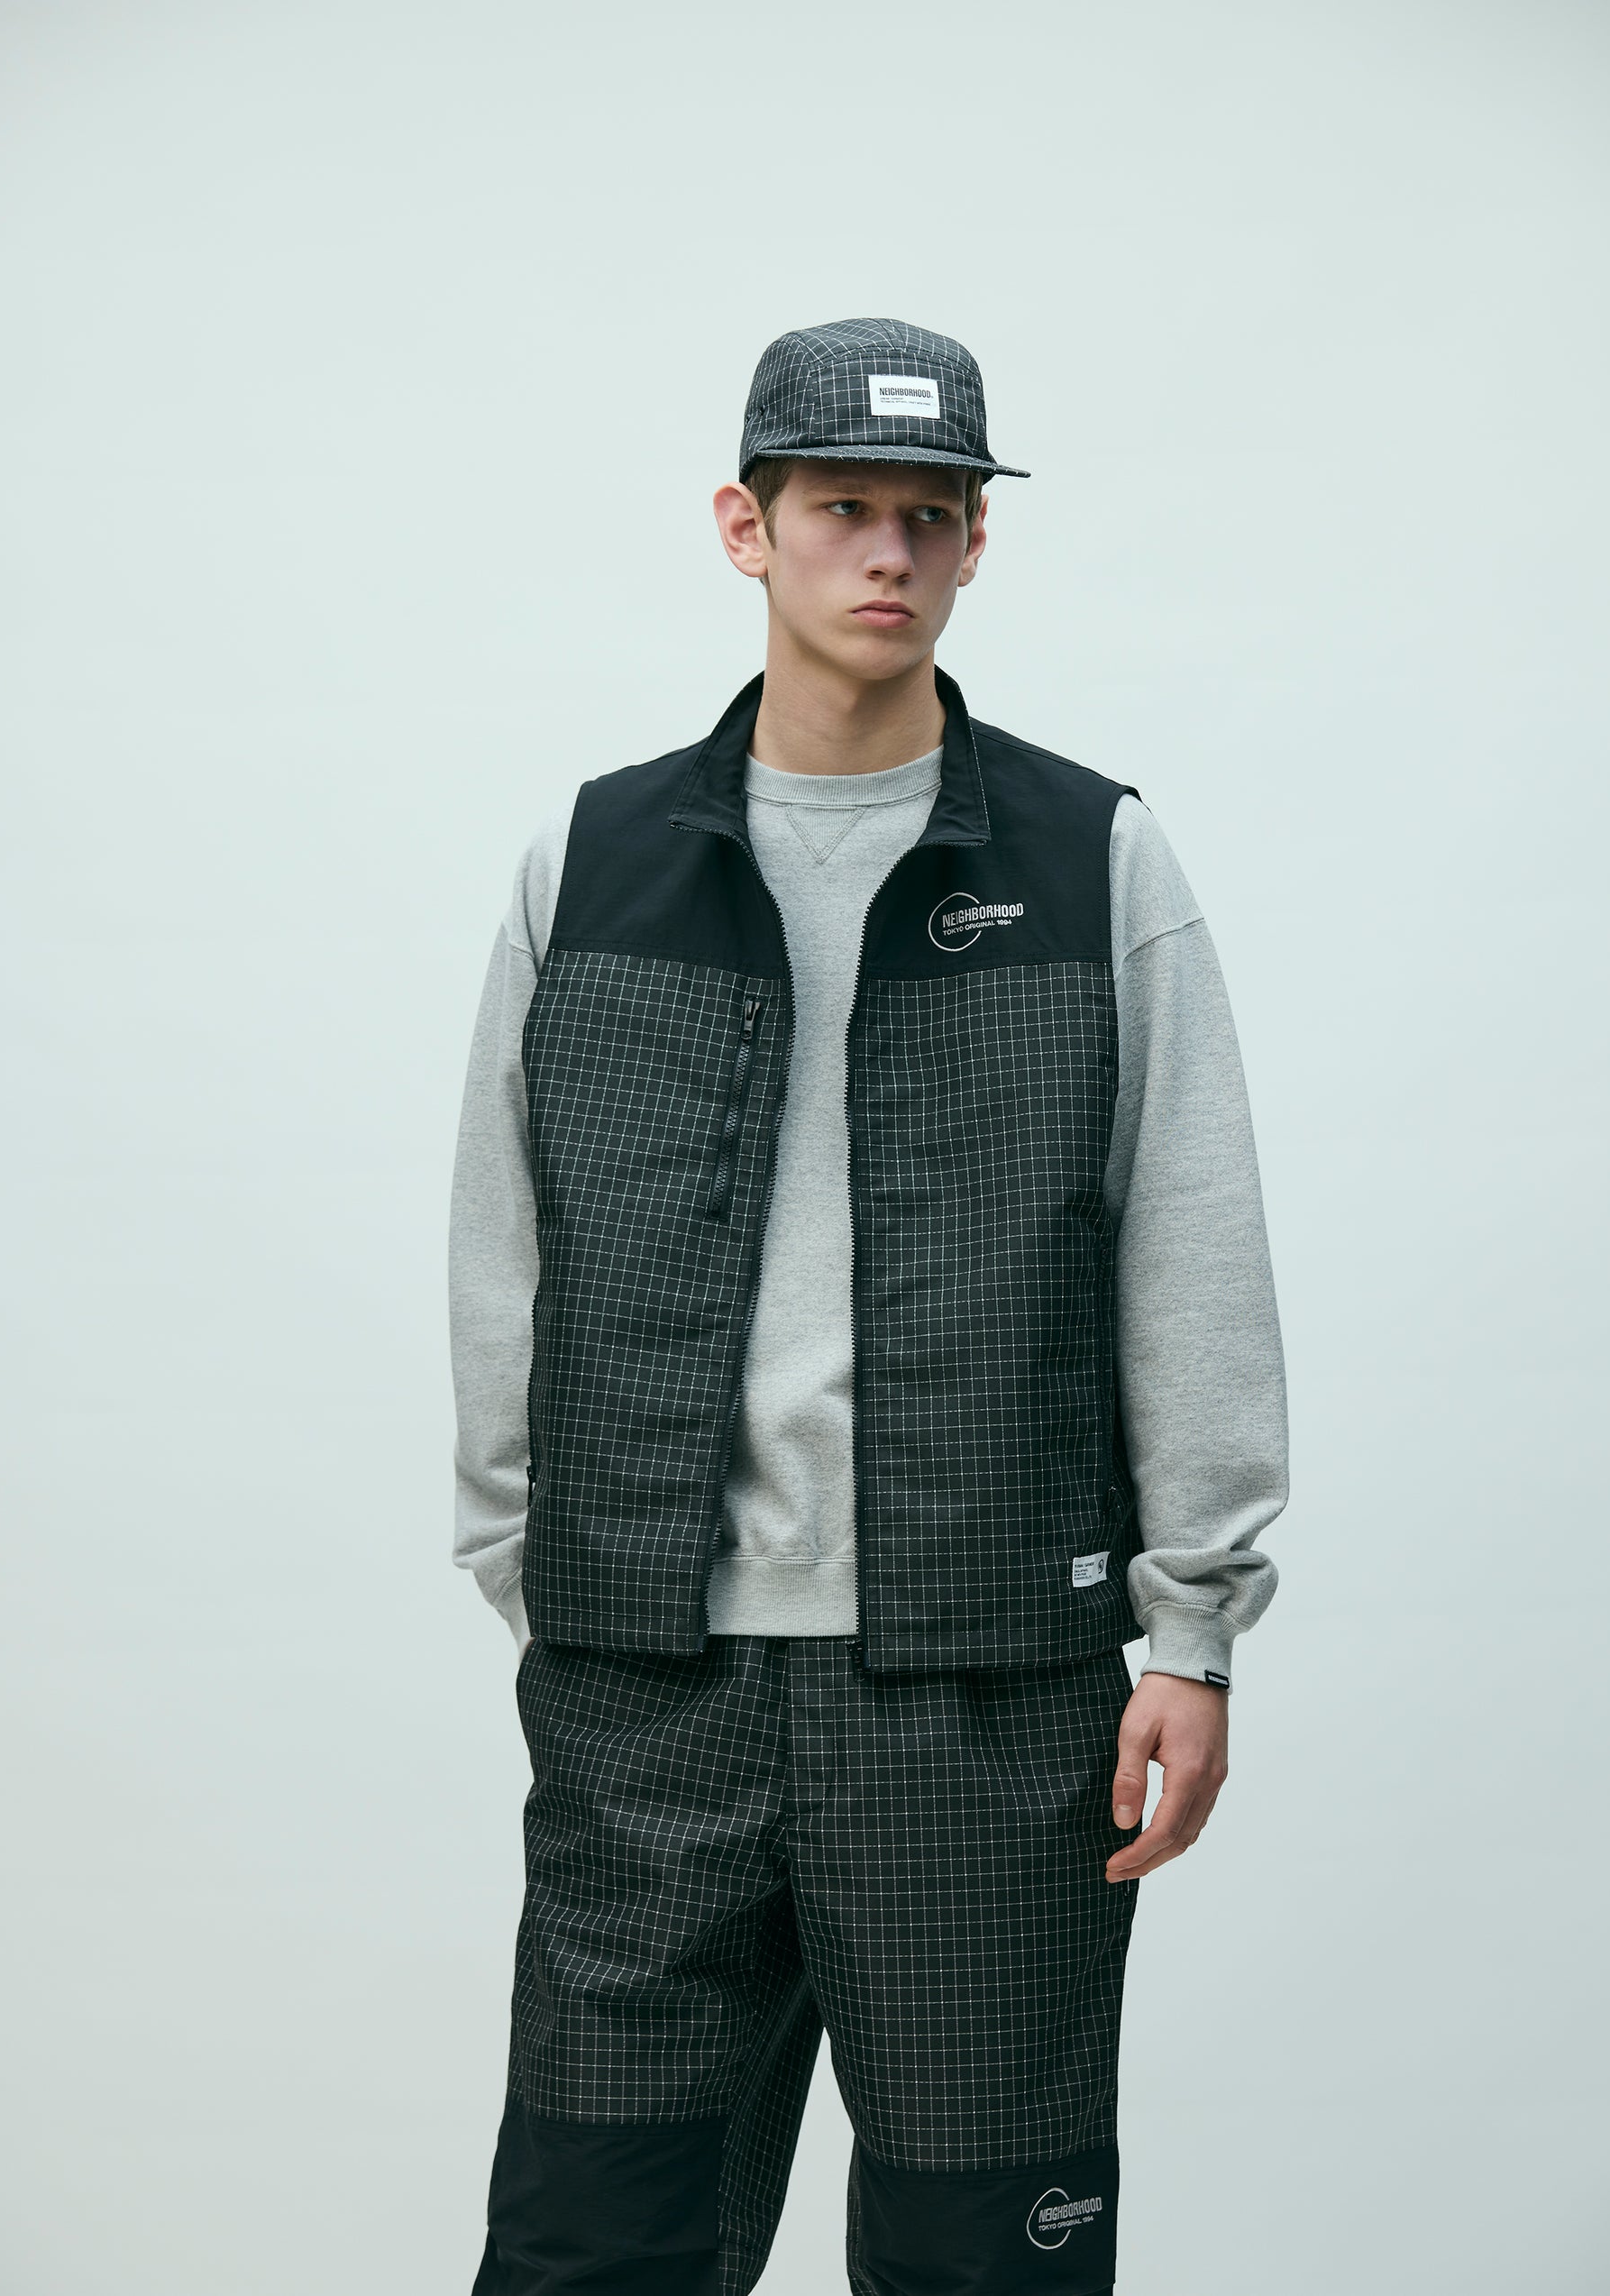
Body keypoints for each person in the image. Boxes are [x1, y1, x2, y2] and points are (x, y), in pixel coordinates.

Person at [448, 316, 1288, 2296]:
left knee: (985, 2262)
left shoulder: (1092, 858)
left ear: (978, 543)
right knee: (592, 2249)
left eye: (933, 513)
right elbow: (504, 1232)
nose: (889, 552)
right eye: (843, 507)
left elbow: (1191, 1237)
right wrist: (536, 1565)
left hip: (987, 1700)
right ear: (746, 526)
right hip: (650, 1689)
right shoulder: (597, 857)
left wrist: (1195, 1628)